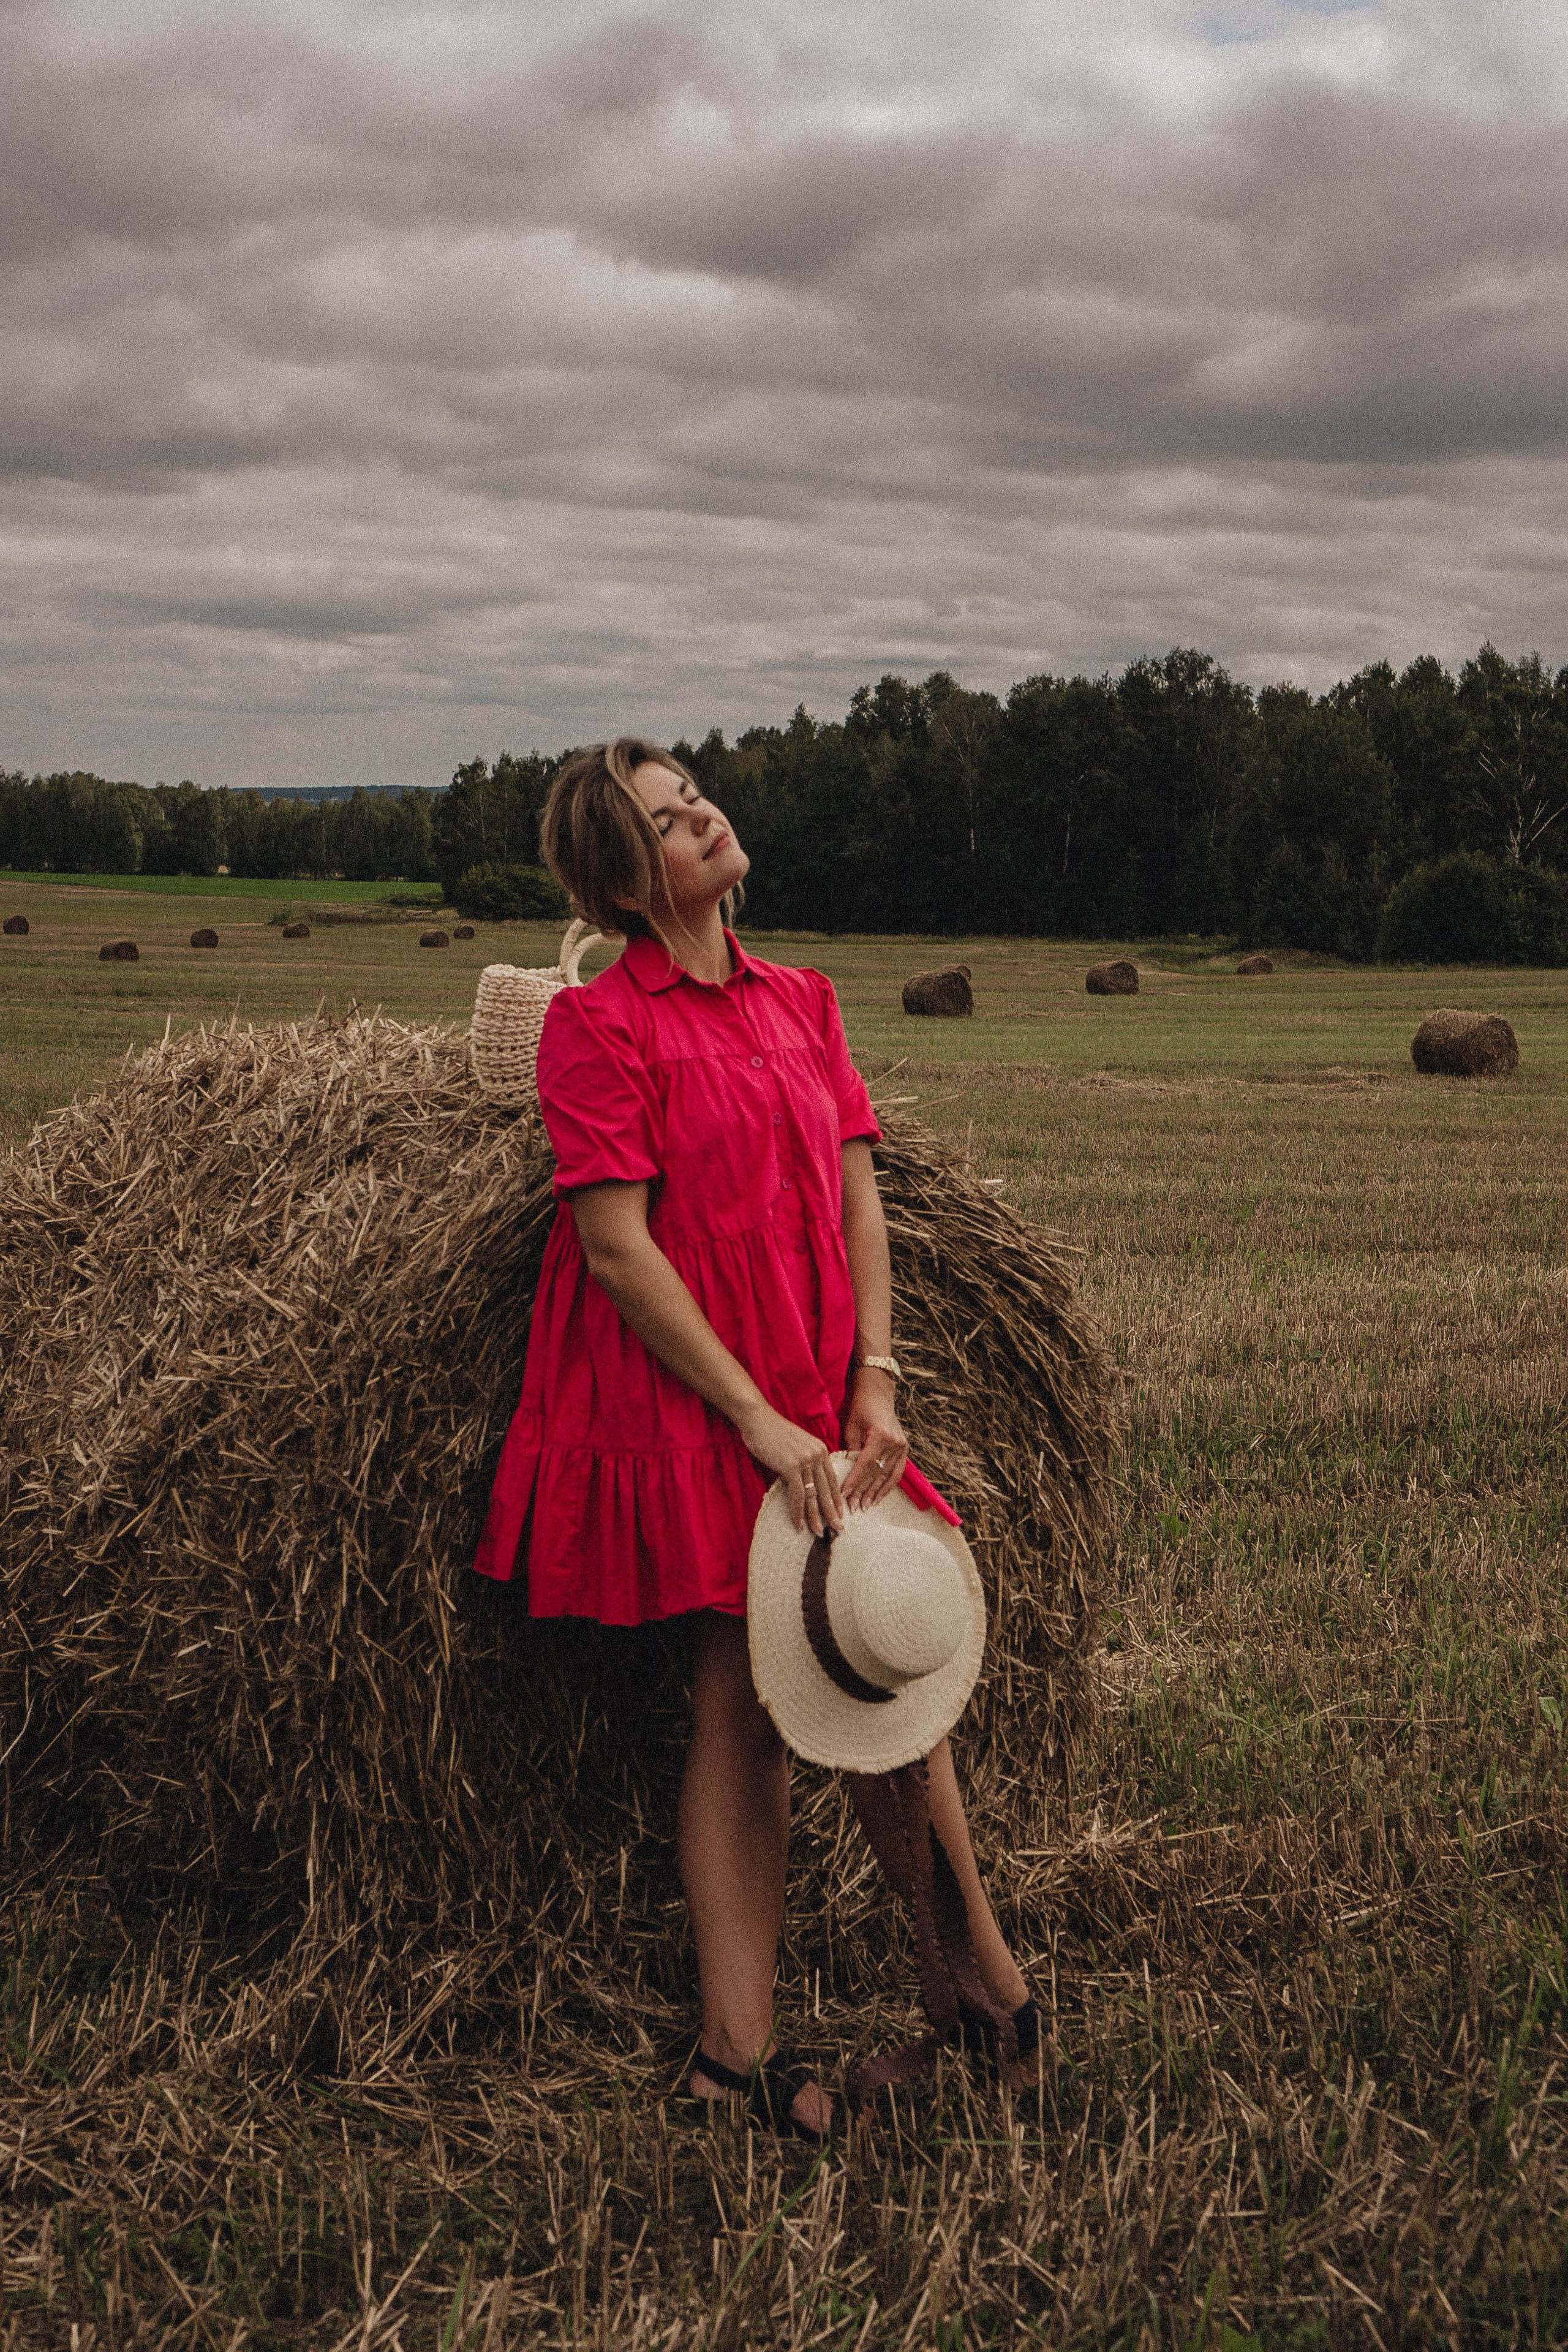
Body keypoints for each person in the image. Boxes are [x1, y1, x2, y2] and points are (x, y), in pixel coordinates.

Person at [473, 737, 1041, 2136]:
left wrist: (876, 1376)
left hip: (823, 1385)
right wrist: (747, 1412)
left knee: (880, 1661)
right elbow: (615, 1249)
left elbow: (858, 1204)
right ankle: (751, 2050)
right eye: (668, 821)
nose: (704, 815)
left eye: (694, 796)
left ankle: (975, 1998)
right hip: (693, 1396)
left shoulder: (805, 1000)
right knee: (746, 1698)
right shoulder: (597, 1027)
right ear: (621, 878)